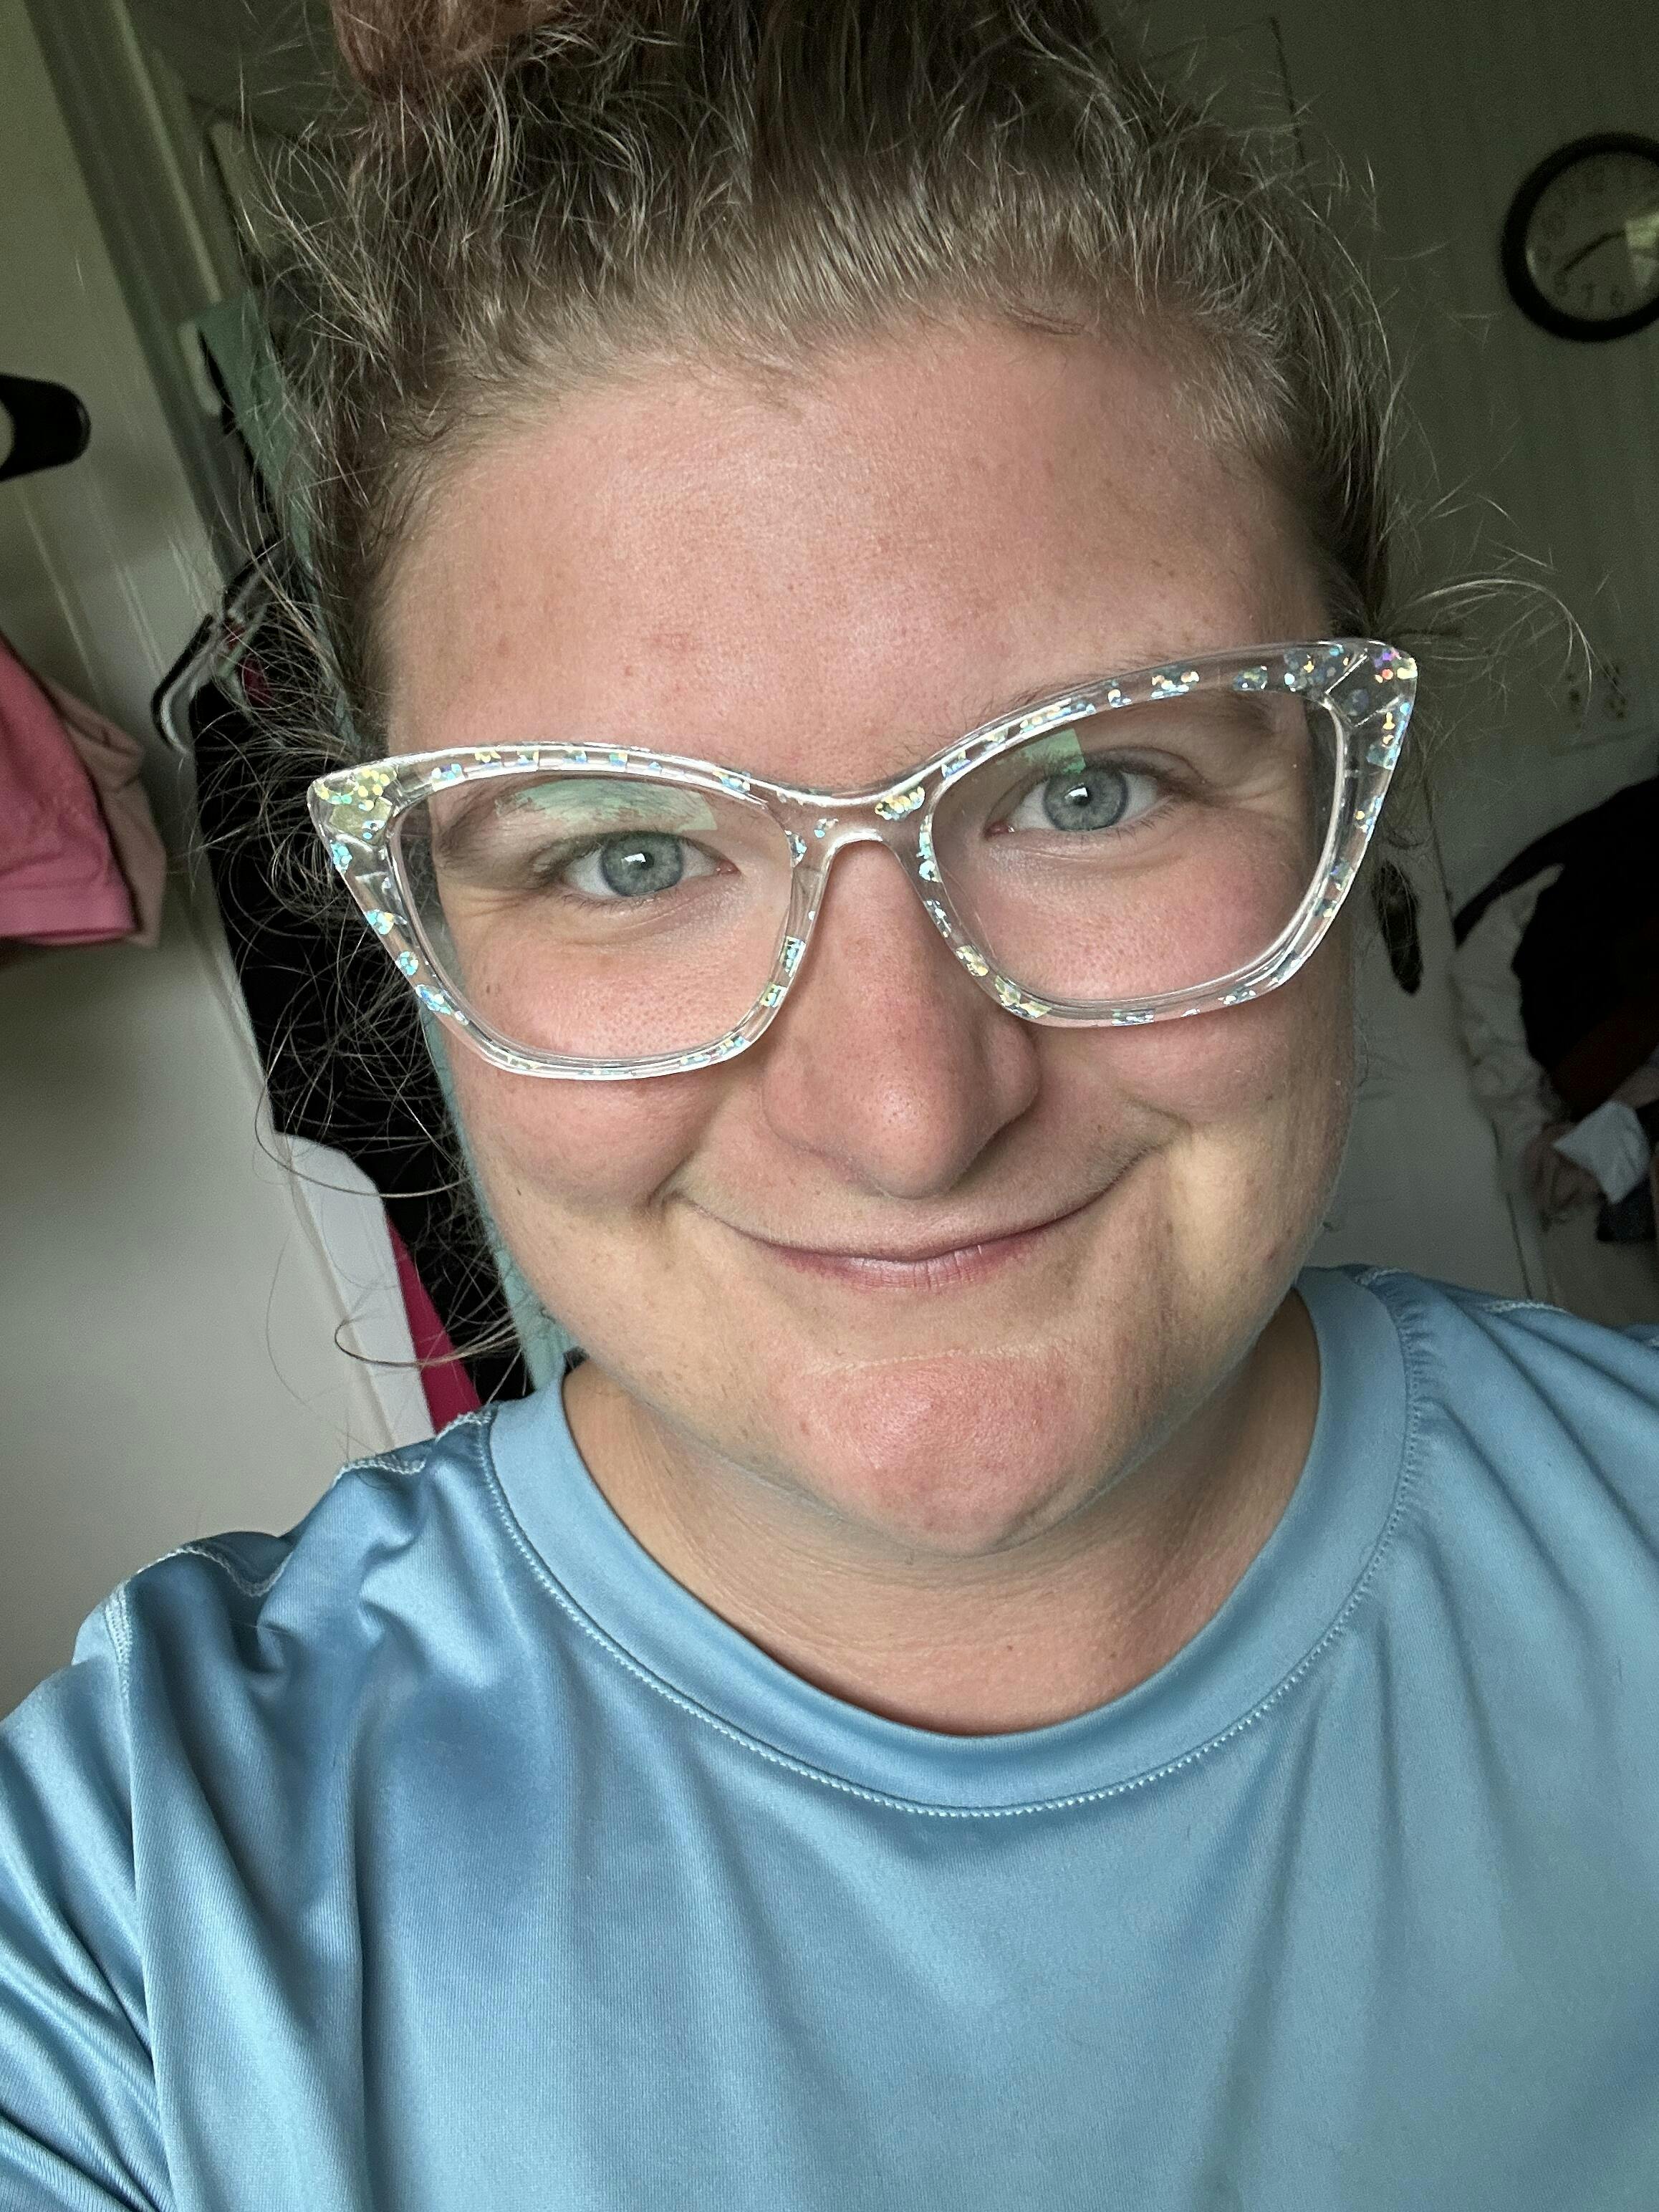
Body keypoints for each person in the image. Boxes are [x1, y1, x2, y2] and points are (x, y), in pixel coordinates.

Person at [3, 4, 1657, 2205]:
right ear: (409, 920)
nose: (903, 1113)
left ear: (1347, 800)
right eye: (627, 853)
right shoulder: (138, 1903)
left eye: (1089, 787)